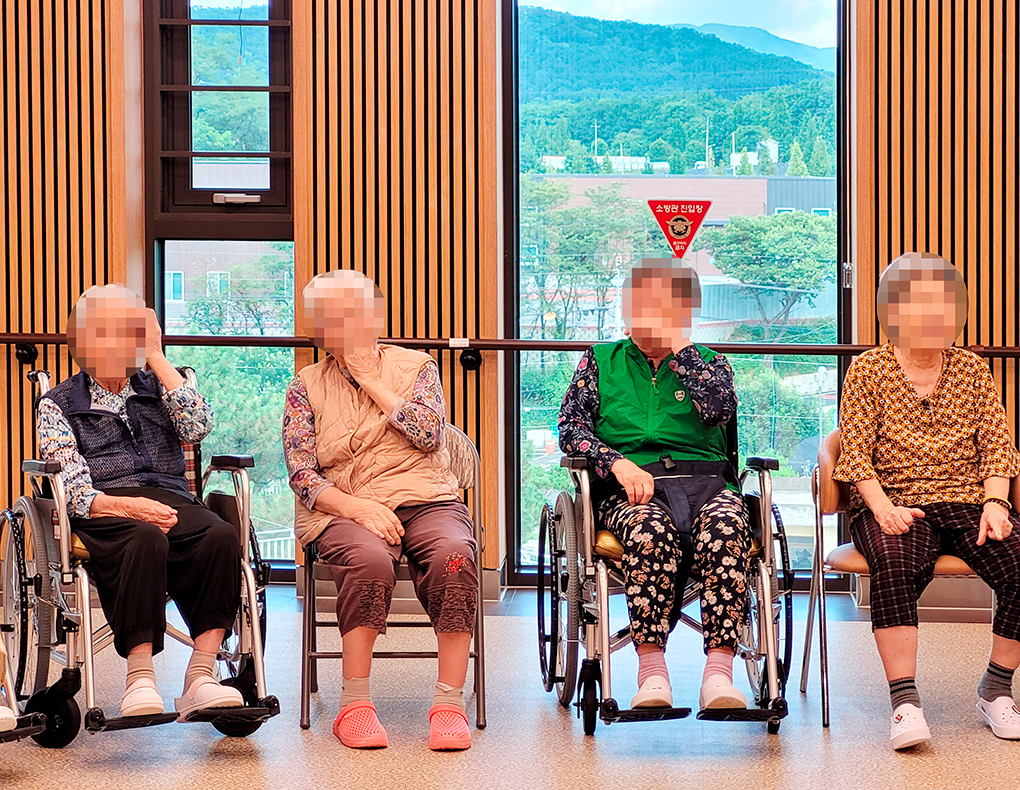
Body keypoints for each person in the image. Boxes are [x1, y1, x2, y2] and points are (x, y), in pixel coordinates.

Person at [284, 269, 477, 750]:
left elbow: (430, 435)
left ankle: (449, 704)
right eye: (324, 318)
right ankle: (354, 705)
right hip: (343, 506)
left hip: (427, 498)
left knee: (454, 557)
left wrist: (371, 380)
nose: (333, 326)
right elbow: (302, 473)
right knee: (369, 561)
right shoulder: (306, 384)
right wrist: (356, 507)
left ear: (374, 317)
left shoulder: (417, 367)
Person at [834, 252, 1020, 750]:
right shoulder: (868, 370)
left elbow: (997, 447)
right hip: (895, 501)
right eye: (922, 307)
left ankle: (996, 689)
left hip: (966, 501)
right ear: (893, 312)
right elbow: (856, 454)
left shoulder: (971, 369)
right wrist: (881, 509)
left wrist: (996, 504)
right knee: (894, 563)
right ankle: (905, 702)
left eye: (946, 307)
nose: (937, 318)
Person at [37, 284, 244, 720]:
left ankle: (201, 676)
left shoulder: (160, 386)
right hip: (105, 507)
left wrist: (155, 355)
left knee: (221, 536)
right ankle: (140, 678)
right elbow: (73, 490)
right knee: (145, 539)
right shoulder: (59, 404)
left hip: (171, 497)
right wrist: (129, 507)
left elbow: (198, 427)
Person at [558, 257, 750, 711]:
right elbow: (571, 427)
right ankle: (652, 673)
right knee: (650, 532)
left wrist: (682, 352)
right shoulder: (600, 360)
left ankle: (719, 674)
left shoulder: (710, 363)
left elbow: (719, 412)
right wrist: (616, 463)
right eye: (640, 304)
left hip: (706, 482)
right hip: (632, 486)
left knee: (727, 528)